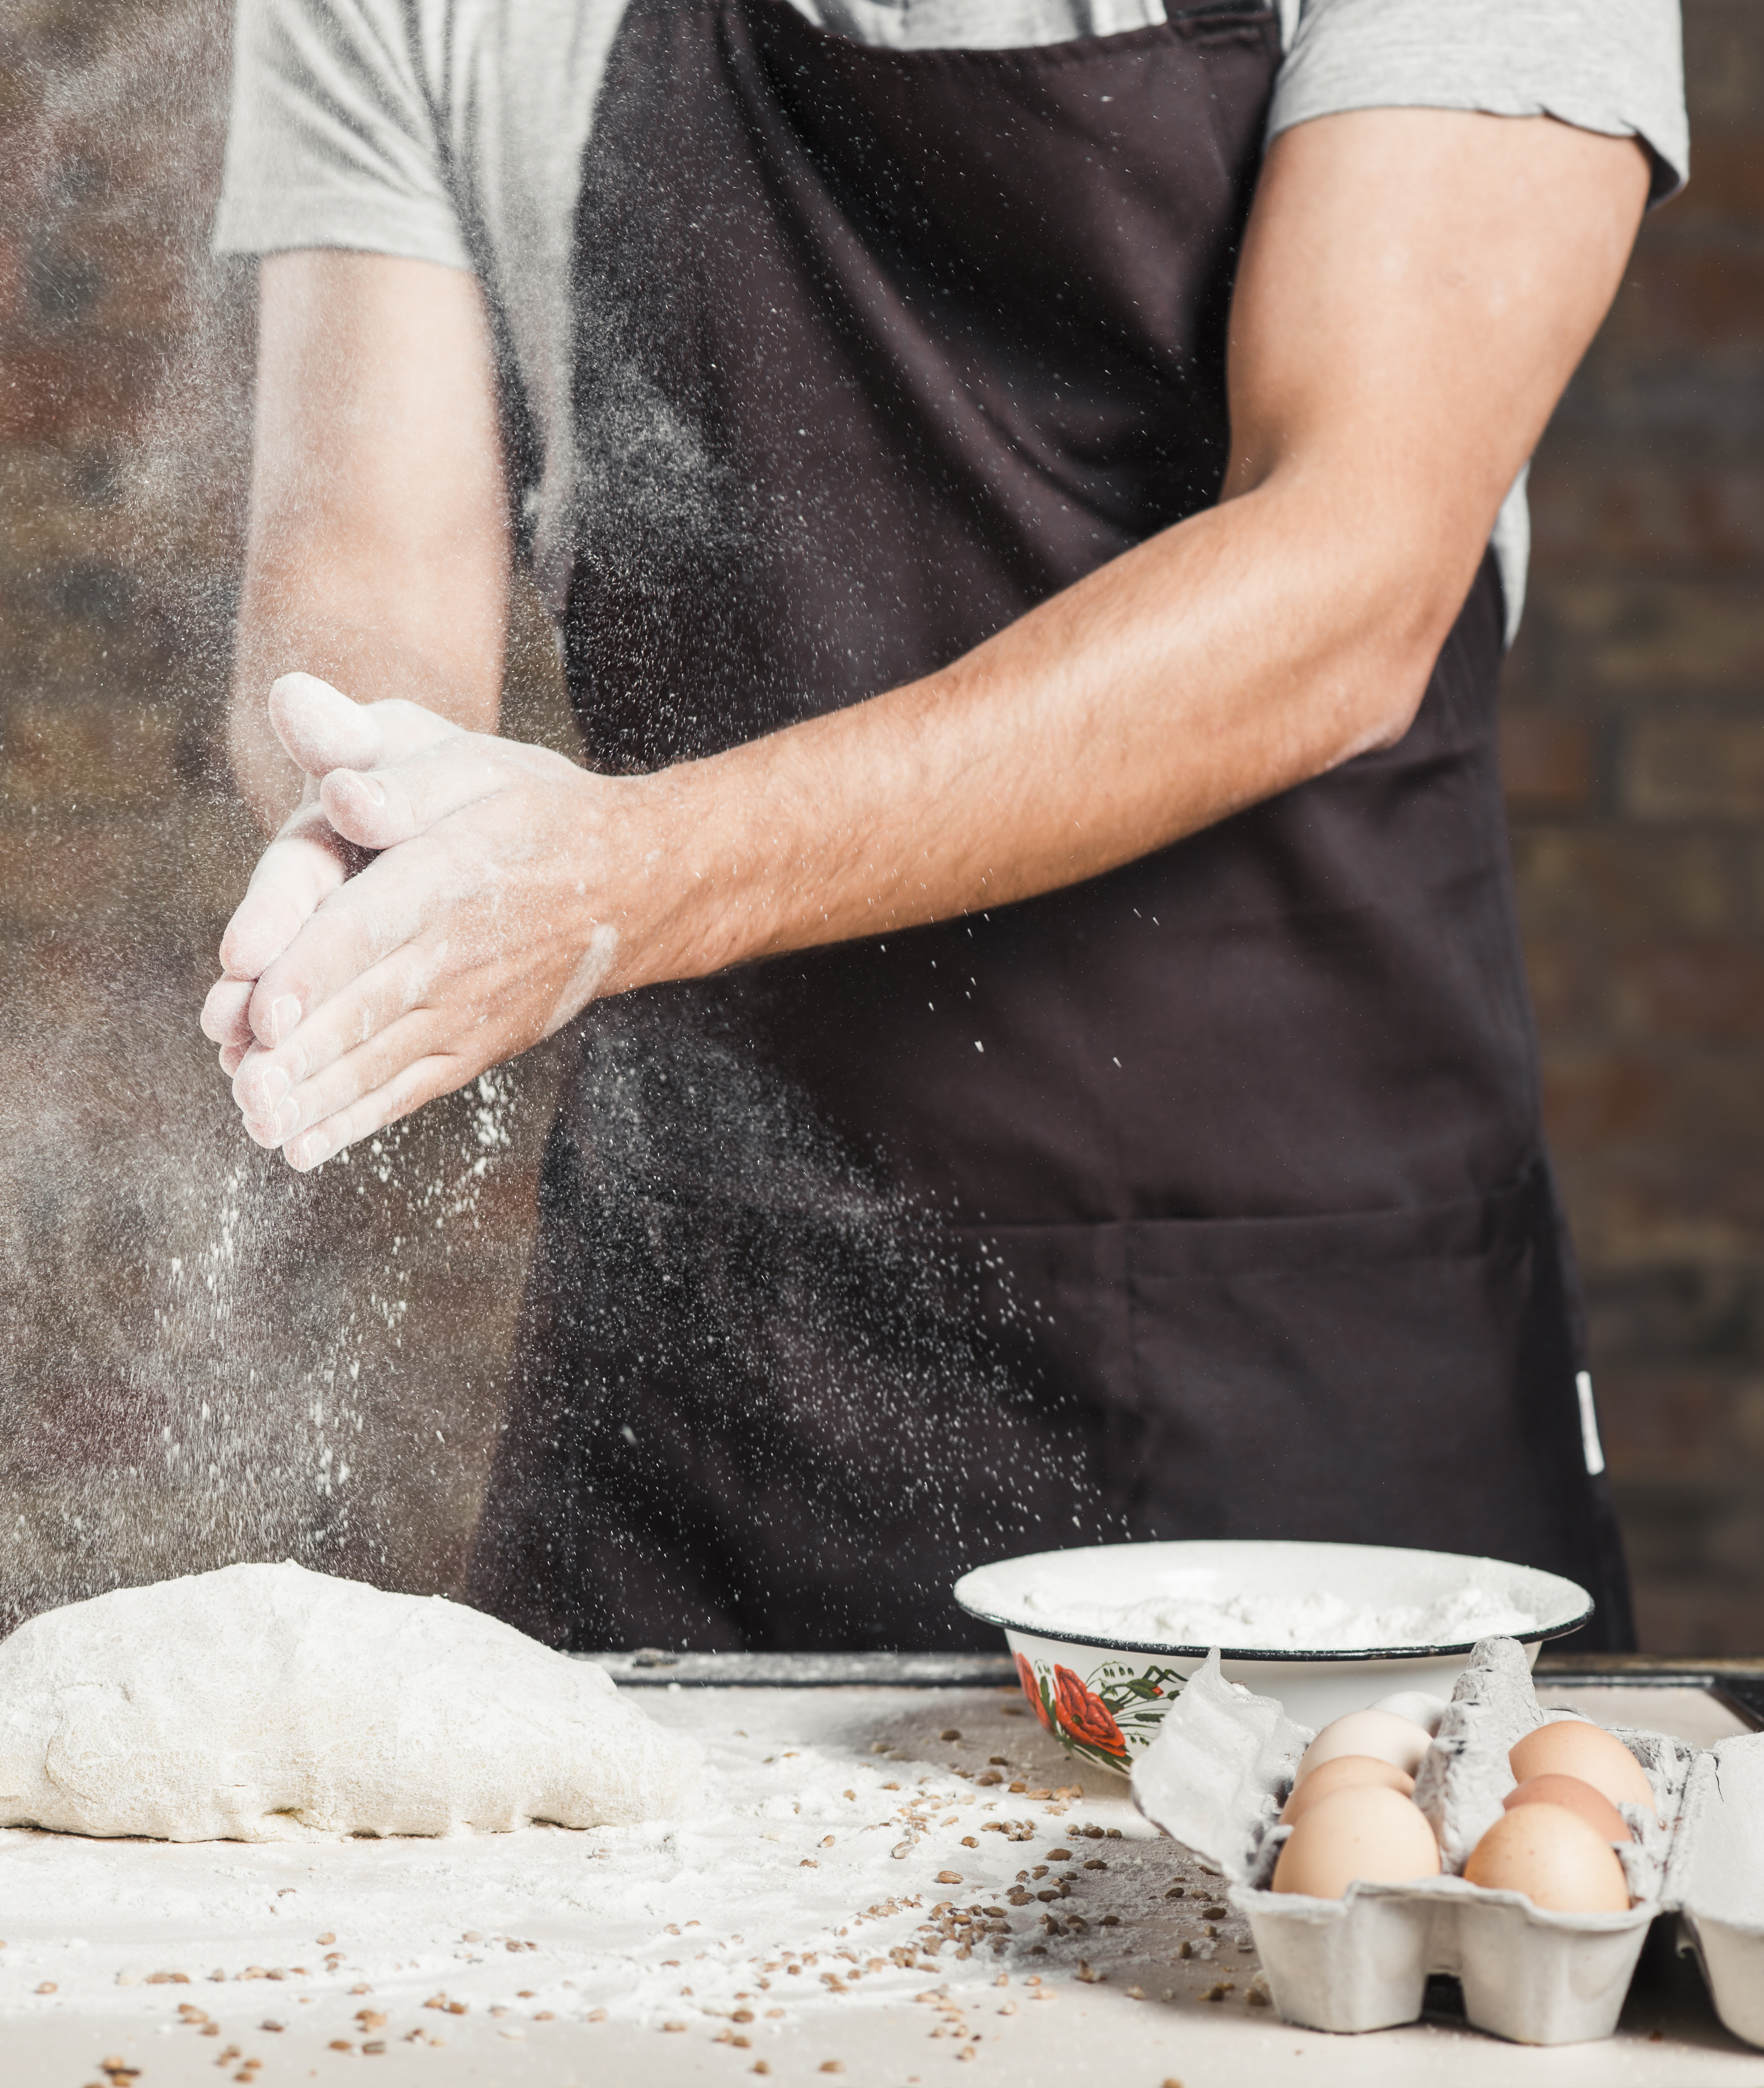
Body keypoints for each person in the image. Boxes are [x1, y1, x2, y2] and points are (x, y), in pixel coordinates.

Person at [199, 0, 1687, 1650]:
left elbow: (1349, 578)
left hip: (1295, 1353)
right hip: (709, 1383)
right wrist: (368, 813)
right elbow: (367, 579)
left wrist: (631, 875)